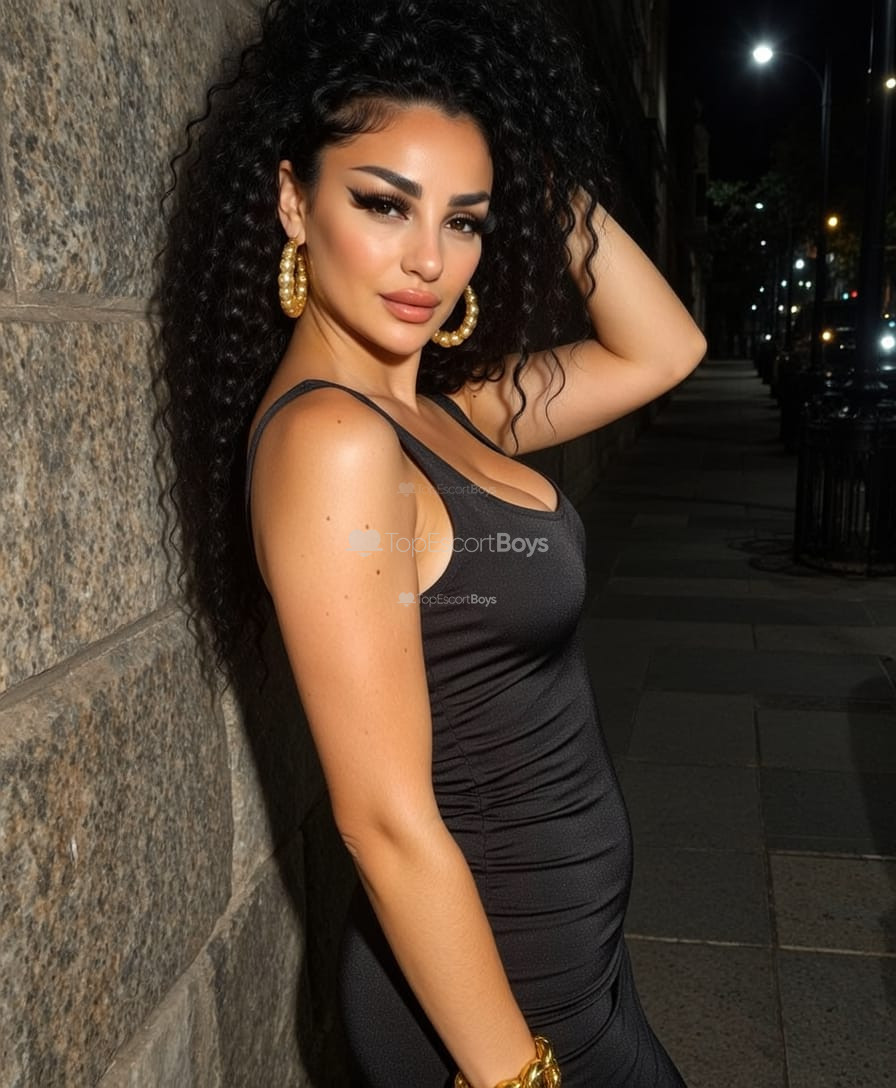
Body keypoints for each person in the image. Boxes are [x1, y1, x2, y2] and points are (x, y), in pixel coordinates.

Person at [159, 0, 706, 1084]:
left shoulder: (446, 412)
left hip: (568, 955)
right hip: (497, 998)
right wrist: (513, 1075)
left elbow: (663, 348)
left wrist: (526, 161)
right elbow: (382, 819)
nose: (428, 260)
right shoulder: (331, 443)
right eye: (383, 203)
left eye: (464, 220)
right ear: (292, 200)